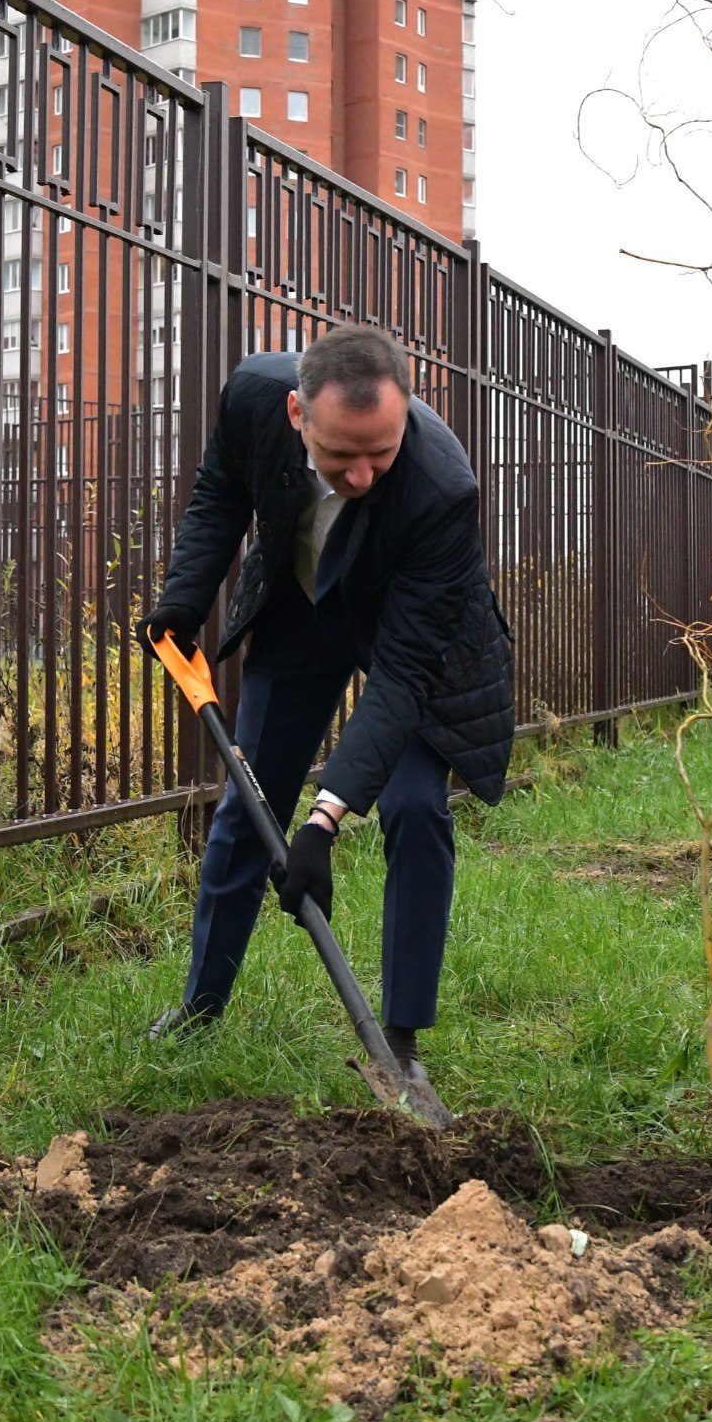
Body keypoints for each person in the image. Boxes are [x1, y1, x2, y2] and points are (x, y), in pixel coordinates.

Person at [137, 325, 514, 1077]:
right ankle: (201, 1003)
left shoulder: (443, 488)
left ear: (407, 410)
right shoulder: (250, 396)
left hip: (408, 631)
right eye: (343, 456)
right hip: (302, 609)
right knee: (250, 806)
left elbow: (404, 677)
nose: (366, 474)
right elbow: (221, 494)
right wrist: (183, 599)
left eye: (383, 451)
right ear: (295, 415)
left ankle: (399, 1044)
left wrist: (323, 823)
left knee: (414, 807)